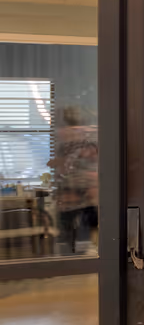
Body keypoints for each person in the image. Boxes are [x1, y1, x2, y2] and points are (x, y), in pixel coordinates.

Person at [52, 105, 97, 255]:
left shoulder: (86, 141)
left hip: (82, 192)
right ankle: (69, 255)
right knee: (69, 227)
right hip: (71, 192)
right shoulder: (64, 145)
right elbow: (62, 169)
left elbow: (92, 163)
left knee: (89, 223)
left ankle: (79, 252)